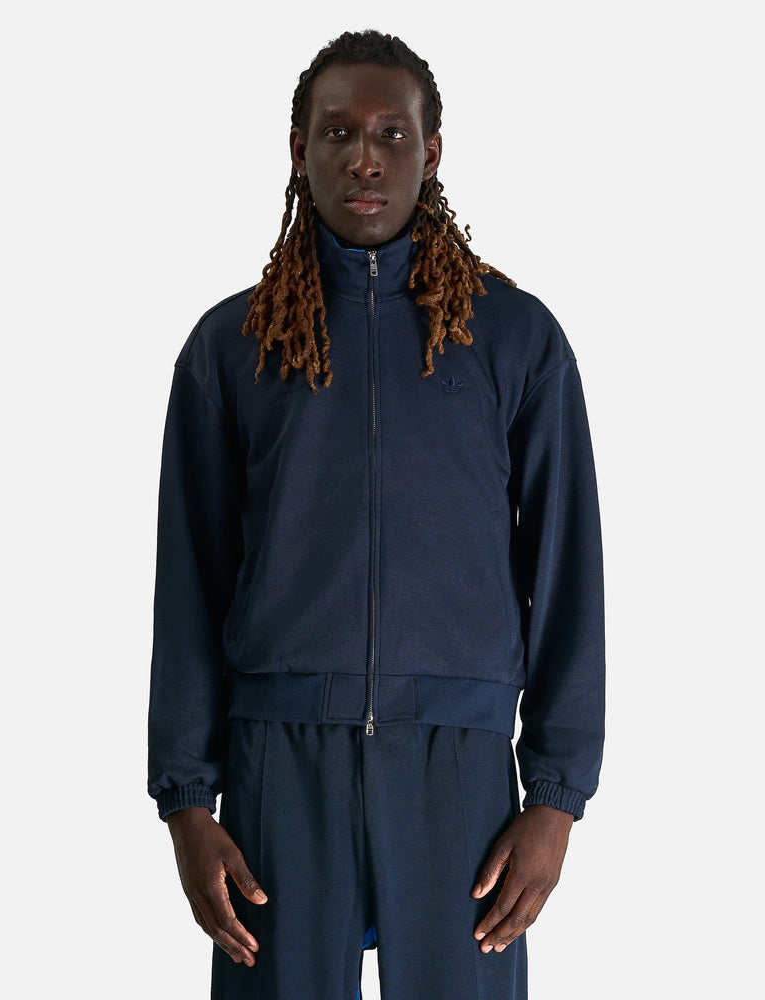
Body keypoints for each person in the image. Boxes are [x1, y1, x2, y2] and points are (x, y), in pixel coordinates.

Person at [148, 28, 605, 1000]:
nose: (365, 156)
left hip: (459, 773)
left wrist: (556, 799)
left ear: (430, 152)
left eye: (391, 133)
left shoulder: (514, 339)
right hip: (278, 769)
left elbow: (565, 574)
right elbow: (188, 584)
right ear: (299, 148)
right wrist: (186, 800)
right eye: (338, 131)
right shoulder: (231, 348)